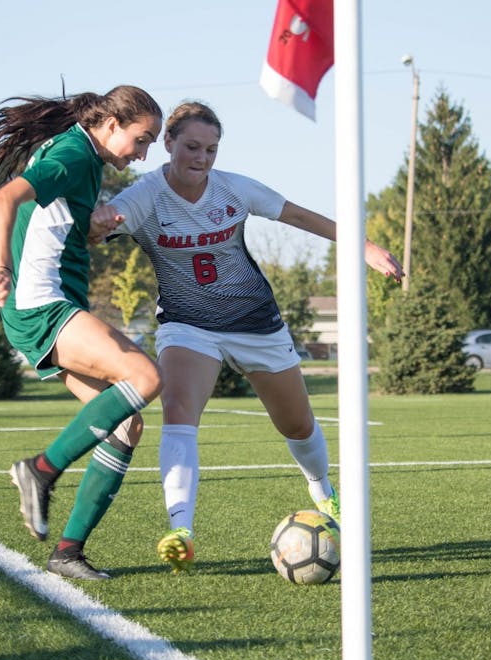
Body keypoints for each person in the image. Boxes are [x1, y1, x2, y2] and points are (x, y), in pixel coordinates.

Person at [90, 101, 404, 573]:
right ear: (168, 144)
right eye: (192, 146)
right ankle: (181, 529)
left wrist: (363, 246)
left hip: (256, 323)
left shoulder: (234, 189)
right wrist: (93, 220)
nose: (201, 157)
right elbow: (103, 221)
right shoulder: (145, 195)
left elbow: (298, 217)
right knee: (178, 413)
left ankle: (325, 494)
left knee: (297, 425)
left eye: (211, 149)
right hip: (187, 324)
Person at [0, 85, 164, 581]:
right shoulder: (76, 154)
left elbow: (53, 222)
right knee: (144, 377)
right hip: (42, 303)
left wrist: (92, 227)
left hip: (52, 303)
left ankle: (68, 553)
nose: (142, 153)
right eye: (141, 140)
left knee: (127, 424)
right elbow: (4, 198)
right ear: (112, 124)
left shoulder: (83, 153)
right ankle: (41, 470)